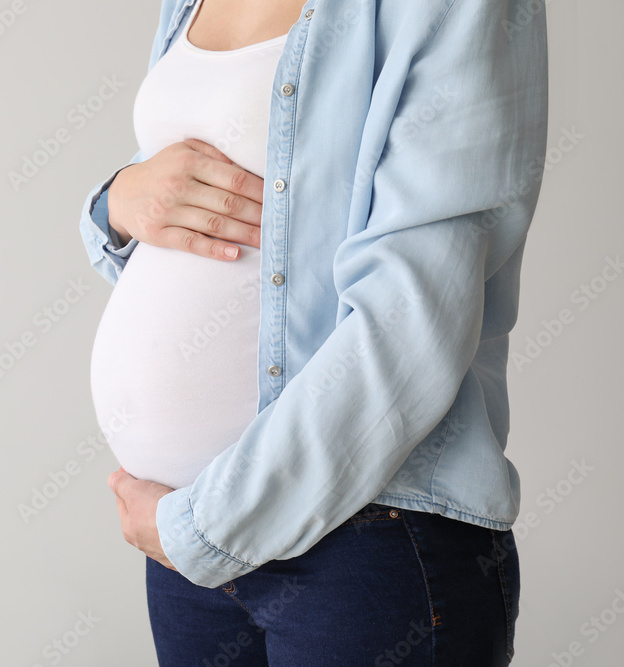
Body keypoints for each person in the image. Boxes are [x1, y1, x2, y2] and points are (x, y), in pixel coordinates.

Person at [79, 0, 549, 664]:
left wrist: (203, 529)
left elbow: (412, 319)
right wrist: (115, 204)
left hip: (365, 545)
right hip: (190, 551)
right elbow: (202, 189)